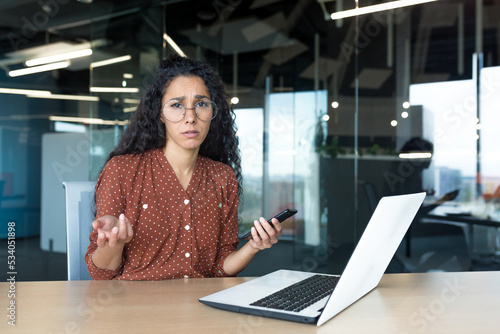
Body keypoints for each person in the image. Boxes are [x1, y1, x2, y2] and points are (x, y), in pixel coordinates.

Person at [84, 55, 282, 280]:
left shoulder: (222, 177)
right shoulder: (121, 170)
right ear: (160, 113)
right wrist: (113, 243)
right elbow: (99, 274)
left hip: (201, 306)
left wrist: (254, 246)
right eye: (177, 105)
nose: (190, 117)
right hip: (136, 308)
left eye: (201, 104)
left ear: (212, 113)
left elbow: (219, 268)